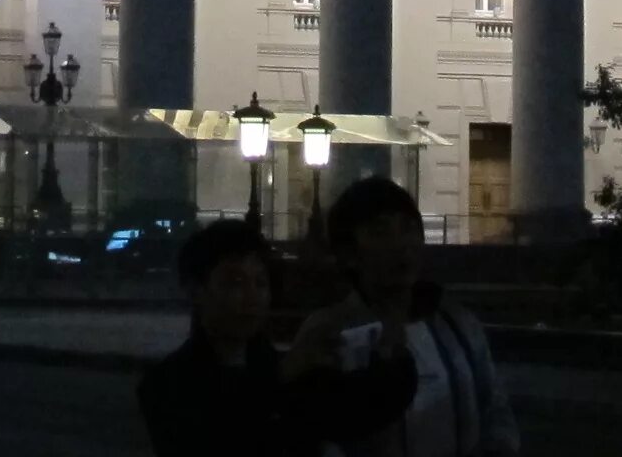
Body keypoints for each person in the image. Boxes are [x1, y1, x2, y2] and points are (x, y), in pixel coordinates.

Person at [136, 217, 415, 457]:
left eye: (260, 282)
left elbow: (359, 417)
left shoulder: (285, 368)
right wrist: (284, 376)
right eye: (235, 283)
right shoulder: (167, 385)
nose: (252, 297)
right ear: (197, 291)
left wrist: (390, 357)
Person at [300, 176, 518, 457]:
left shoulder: (456, 322)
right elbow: (317, 431)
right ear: (349, 254)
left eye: (409, 228)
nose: (401, 244)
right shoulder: (329, 333)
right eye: (381, 231)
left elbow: (494, 406)